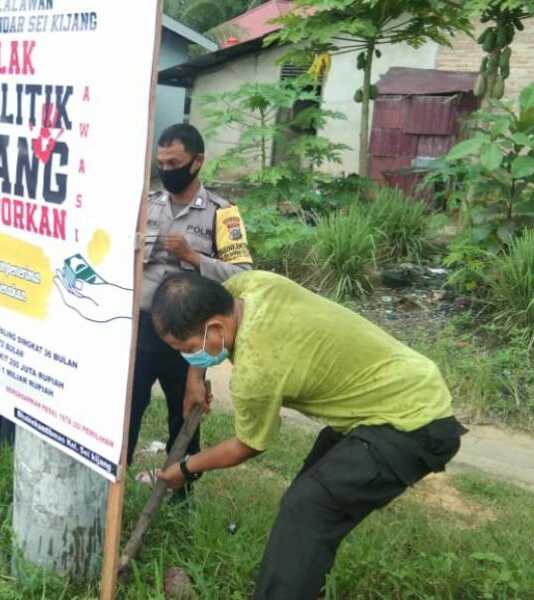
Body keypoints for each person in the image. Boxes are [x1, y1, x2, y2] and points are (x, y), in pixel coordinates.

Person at [151, 271, 467, 599]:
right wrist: (194, 377)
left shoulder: (256, 370)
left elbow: (248, 445)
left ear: (216, 328)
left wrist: (186, 467)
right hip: (404, 387)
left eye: (188, 349)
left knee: (308, 508)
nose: (188, 357)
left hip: (415, 424)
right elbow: (214, 310)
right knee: (304, 513)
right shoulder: (254, 284)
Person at [127, 123, 252, 504]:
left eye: (175, 163)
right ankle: (113, 488)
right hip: (140, 330)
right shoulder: (147, 204)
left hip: (188, 338)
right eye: (162, 163)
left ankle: (181, 497)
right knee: (126, 411)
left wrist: (193, 257)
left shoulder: (222, 214)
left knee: (185, 416)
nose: (167, 170)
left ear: (197, 162)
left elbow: (244, 274)